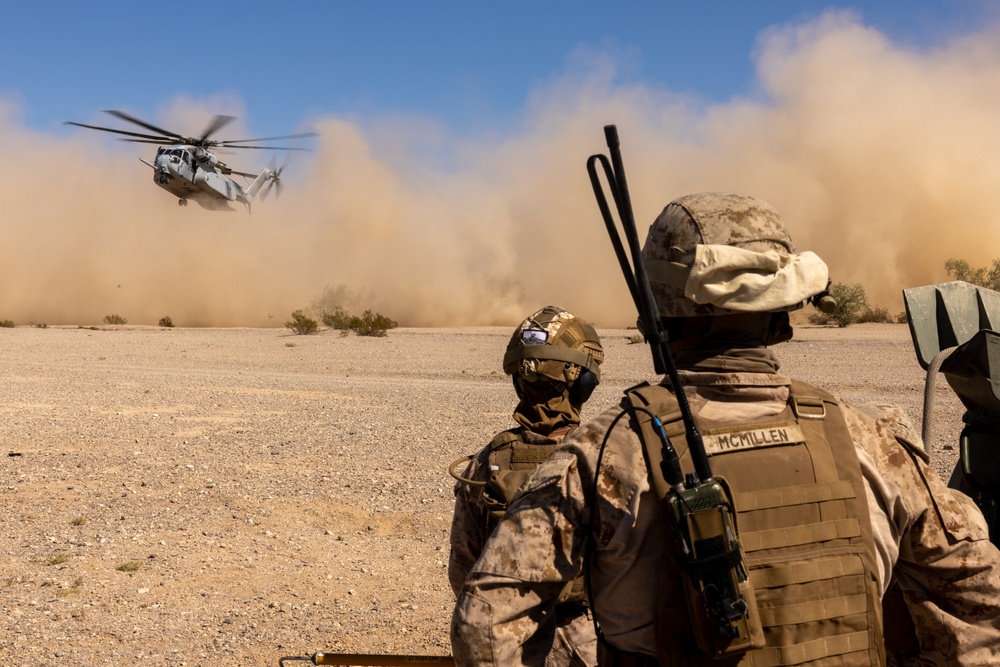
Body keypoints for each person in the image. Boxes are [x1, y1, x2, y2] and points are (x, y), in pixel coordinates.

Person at [451, 193, 1000, 666]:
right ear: (782, 309)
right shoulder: (875, 444)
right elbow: (977, 594)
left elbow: (487, 623)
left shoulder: (601, 457)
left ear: (660, 311)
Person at [449, 305, 604, 666]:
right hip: (590, 644)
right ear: (584, 385)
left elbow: (463, 570)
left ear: (518, 379)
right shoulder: (604, 456)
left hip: (506, 642)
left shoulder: (486, 462)